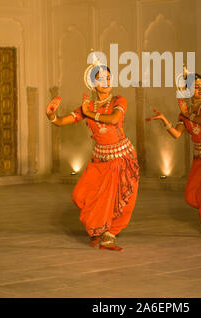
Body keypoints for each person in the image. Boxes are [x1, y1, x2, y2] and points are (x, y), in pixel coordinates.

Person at [46, 63, 139, 251]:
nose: (106, 81)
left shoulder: (119, 100)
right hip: (100, 159)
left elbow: (113, 119)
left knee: (121, 200)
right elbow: (64, 121)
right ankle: (99, 229)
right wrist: (52, 116)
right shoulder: (87, 107)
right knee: (81, 196)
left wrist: (89, 113)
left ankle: (108, 236)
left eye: (109, 77)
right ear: (92, 82)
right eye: (101, 78)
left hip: (122, 158)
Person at [146, 73, 201, 238]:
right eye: (196, 86)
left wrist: (187, 114)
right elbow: (177, 134)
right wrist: (165, 121)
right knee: (192, 195)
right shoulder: (183, 115)